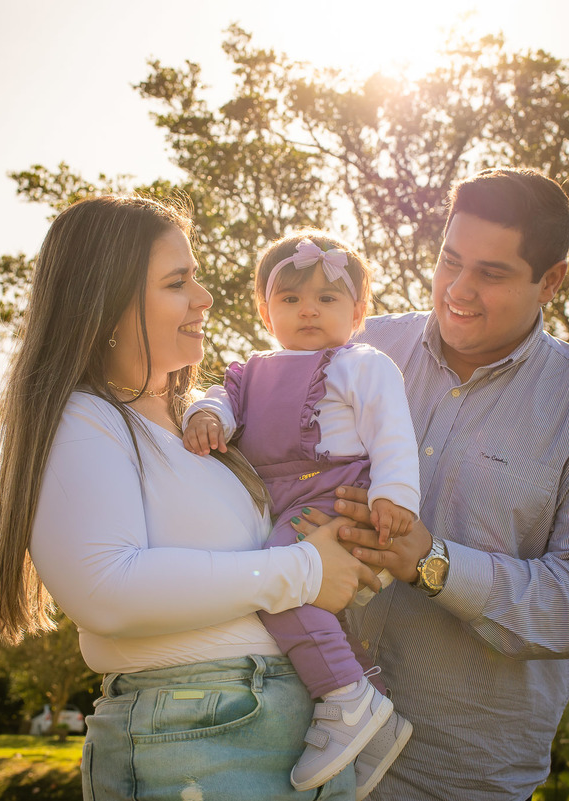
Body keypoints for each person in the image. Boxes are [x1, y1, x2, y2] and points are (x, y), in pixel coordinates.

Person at [0, 195, 379, 800]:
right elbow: (106, 589)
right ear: (108, 307)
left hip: (292, 718)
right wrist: (306, 571)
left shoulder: (206, 425)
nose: (204, 298)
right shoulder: (86, 418)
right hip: (195, 734)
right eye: (178, 282)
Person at [292, 168, 569, 800]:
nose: (459, 290)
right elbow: (262, 442)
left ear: (552, 280)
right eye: (450, 261)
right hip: (293, 749)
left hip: (453, 780)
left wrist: (434, 564)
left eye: (492, 274)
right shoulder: (356, 348)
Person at [182, 231, 420, 795]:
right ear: (265, 311)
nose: (308, 309)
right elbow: (220, 397)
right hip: (275, 499)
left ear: (359, 311)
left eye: (328, 298)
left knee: (278, 583)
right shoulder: (252, 370)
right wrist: (204, 412)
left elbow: (393, 432)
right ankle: (372, 702)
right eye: (289, 299)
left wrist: (395, 497)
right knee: (294, 593)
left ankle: (344, 697)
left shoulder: (362, 363)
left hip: (334, 497)